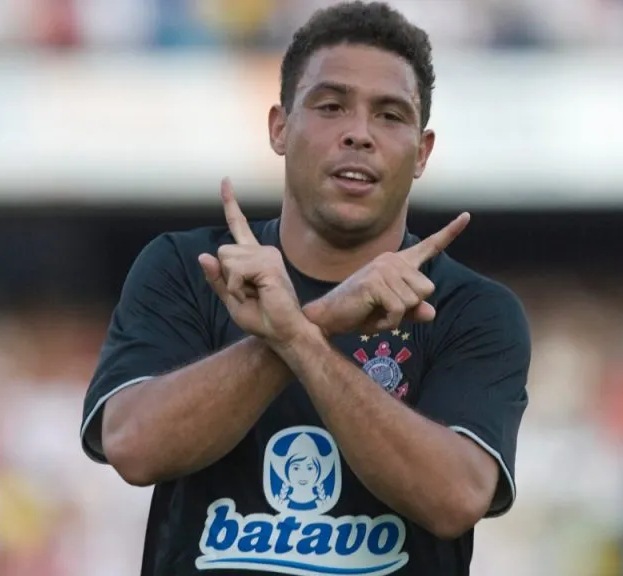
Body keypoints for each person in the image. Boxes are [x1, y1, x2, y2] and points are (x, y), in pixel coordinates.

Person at [79, 2, 531, 574]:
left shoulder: (471, 309)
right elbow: (133, 446)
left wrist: (298, 333)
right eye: (331, 105)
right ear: (279, 127)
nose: (359, 134)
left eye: (390, 115)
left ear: (421, 153)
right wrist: (320, 321)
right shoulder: (190, 268)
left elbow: (455, 498)